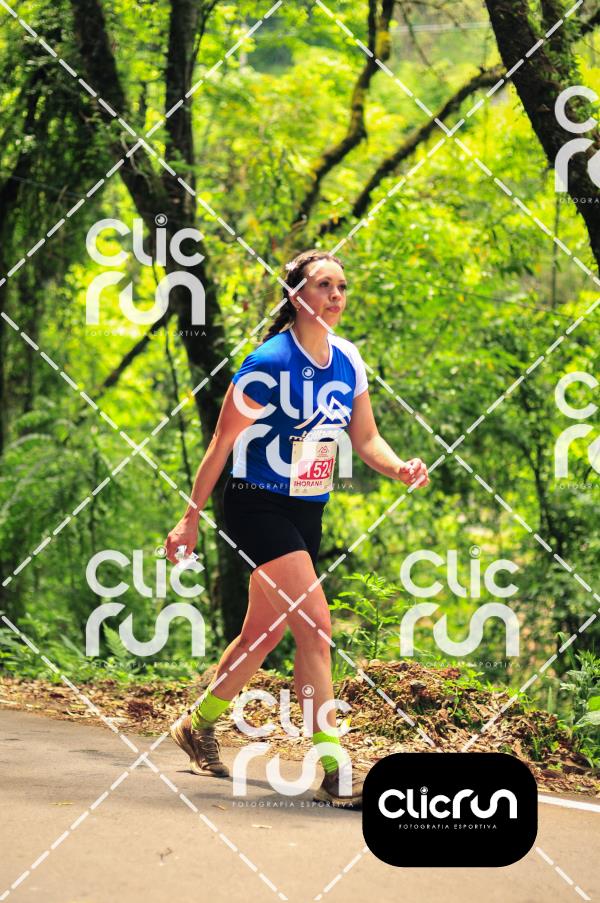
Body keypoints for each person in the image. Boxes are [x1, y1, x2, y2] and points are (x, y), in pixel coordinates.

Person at [165, 248, 429, 808]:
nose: (336, 296)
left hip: (307, 508)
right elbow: (221, 443)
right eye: (324, 285)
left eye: (342, 286)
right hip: (255, 504)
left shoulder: (348, 359)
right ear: (295, 295)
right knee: (315, 626)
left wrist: (399, 467)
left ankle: (196, 723)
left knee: (262, 636)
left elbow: (366, 439)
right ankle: (333, 767)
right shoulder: (267, 363)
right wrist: (190, 518)